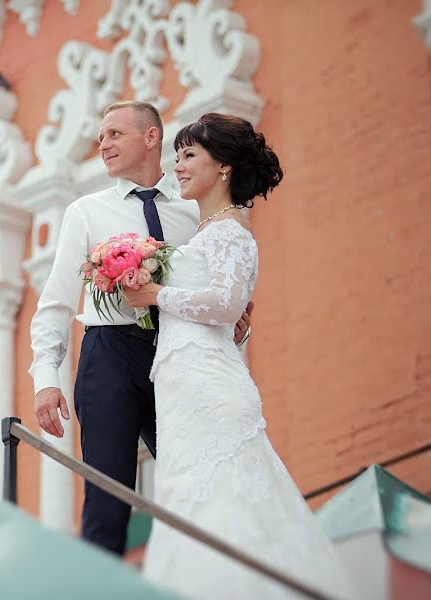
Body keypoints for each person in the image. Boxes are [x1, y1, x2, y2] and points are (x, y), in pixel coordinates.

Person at [123, 113, 357, 599]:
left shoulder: (230, 231)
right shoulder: (209, 232)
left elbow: (226, 303)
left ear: (223, 166)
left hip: (210, 395)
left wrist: (155, 296)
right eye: (179, 155)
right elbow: (223, 315)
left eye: (189, 155)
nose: (179, 166)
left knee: (223, 503)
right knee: (192, 503)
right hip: (186, 392)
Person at [28, 101, 252, 555]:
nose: (103, 144)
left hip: (176, 356)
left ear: (151, 138)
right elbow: (55, 302)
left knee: (199, 486)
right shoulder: (85, 212)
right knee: (107, 501)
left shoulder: (195, 213)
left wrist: (238, 320)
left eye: (114, 134)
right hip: (108, 356)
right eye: (100, 137)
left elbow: (217, 290)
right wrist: (45, 380)